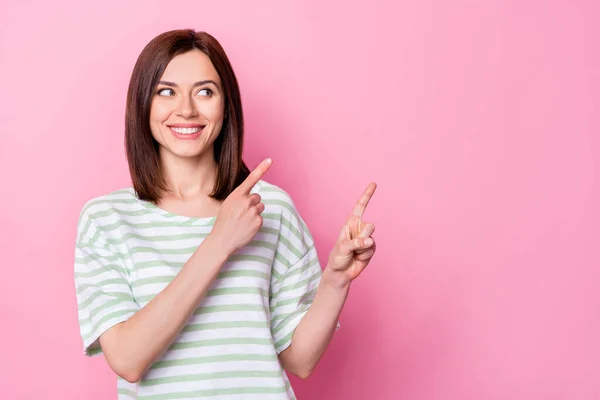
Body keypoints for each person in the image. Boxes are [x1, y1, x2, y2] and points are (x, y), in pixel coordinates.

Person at [74, 29, 377, 400]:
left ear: (226, 105)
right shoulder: (107, 219)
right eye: (165, 91)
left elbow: (300, 360)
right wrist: (220, 242)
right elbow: (128, 359)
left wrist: (336, 282)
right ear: (142, 104)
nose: (186, 109)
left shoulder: (270, 207)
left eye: (205, 91)